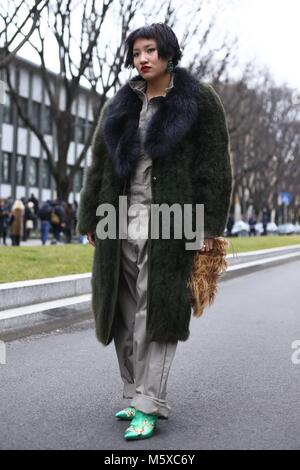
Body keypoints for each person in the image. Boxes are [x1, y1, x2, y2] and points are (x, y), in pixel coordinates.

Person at [77, 23, 232, 441]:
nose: (142, 59)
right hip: (120, 219)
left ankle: (150, 403)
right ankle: (133, 394)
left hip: (173, 220)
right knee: (123, 311)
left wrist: (208, 228)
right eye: (136, 52)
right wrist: (91, 217)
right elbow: (99, 165)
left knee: (158, 309)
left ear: (167, 53)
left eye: (150, 50)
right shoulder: (123, 102)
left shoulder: (199, 101)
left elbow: (215, 168)